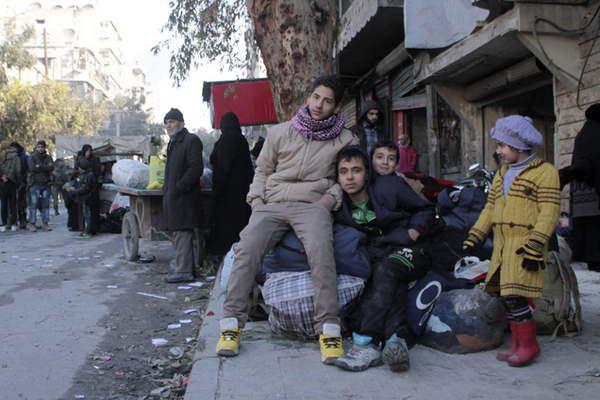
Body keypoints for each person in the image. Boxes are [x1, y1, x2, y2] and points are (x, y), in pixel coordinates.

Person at [216, 75, 358, 364]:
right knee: (246, 251)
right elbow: (262, 171)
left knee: (321, 254)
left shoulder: (346, 139)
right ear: (308, 97)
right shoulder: (280, 132)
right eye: (316, 97)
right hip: (273, 203)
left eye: (327, 100)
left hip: (312, 205)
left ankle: (329, 329)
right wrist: (256, 203)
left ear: (336, 106)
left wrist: (328, 200)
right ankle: (231, 326)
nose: (319, 105)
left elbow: (343, 177)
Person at [463, 115, 560, 367]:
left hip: (526, 246)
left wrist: (537, 243)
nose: (499, 151)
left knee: (517, 295)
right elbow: (491, 207)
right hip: (503, 246)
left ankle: (529, 345)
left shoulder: (545, 172)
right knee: (507, 295)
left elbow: (549, 212)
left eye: (502, 146)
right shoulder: (502, 173)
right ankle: (517, 344)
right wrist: (476, 233)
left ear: (518, 145)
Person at [332, 145, 435, 372]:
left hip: (414, 251)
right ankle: (395, 341)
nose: (350, 177)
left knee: (388, 268)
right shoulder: (341, 207)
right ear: (337, 176)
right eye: (344, 171)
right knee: (387, 279)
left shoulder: (389, 186)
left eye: (356, 170)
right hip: (381, 256)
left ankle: (365, 343)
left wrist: (414, 231)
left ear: (367, 173)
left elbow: (426, 210)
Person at [162, 108, 205, 283]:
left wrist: (178, 188)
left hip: (184, 198)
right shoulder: (173, 143)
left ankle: (184, 271)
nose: (168, 126)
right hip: (174, 197)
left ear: (181, 122)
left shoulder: (191, 140)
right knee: (178, 233)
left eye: (171, 122)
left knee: (183, 233)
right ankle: (185, 267)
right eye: (166, 123)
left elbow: (196, 169)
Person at [559, 104, 600, 271]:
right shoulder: (597, 133)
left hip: (582, 193)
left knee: (590, 236)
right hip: (595, 191)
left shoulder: (583, 135)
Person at [207, 112, 254, 256]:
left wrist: (217, 193)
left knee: (226, 230)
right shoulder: (242, 140)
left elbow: (222, 168)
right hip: (242, 194)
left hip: (226, 196)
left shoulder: (225, 141)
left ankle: (224, 258)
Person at [27, 140, 54, 232]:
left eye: (42, 147)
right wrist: (44, 167)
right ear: (36, 147)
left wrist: (40, 167)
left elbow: (51, 167)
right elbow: (32, 168)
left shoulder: (48, 157)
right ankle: (32, 223)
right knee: (33, 204)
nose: (40, 148)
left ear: (44, 147)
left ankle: (45, 223)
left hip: (46, 184)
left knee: (46, 205)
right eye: (38, 147)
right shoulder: (32, 157)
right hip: (35, 184)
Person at [75, 145, 102, 235]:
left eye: (89, 151)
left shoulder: (95, 160)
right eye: (87, 151)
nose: (88, 153)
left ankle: (91, 229)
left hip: (90, 191)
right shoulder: (80, 159)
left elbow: (97, 172)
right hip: (83, 192)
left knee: (90, 212)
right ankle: (84, 228)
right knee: (84, 212)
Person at [0, 135, 21, 232]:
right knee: (13, 204)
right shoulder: (15, 155)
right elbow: (18, 170)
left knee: (3, 204)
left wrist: (2, 176)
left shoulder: (1, 155)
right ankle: (14, 224)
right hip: (12, 182)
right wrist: (18, 181)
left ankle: (3, 224)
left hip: (2, 182)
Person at [10, 142, 29, 229]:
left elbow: (26, 170)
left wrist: (23, 182)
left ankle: (23, 220)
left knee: (22, 202)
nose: (13, 150)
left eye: (14, 148)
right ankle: (13, 220)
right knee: (13, 203)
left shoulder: (24, 157)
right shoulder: (9, 157)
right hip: (12, 182)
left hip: (22, 182)